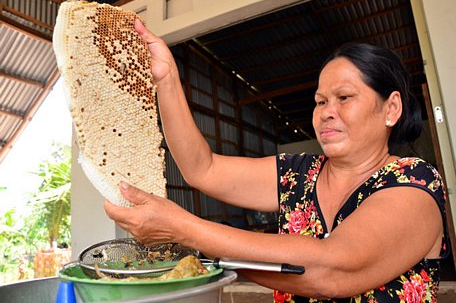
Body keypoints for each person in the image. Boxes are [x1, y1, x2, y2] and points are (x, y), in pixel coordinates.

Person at [104, 18, 448, 302]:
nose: (327, 113)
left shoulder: (414, 182)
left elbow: (332, 270)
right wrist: (167, 80)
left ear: (391, 109)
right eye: (320, 101)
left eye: (344, 97)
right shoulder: (299, 174)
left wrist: (184, 230)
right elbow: (202, 169)